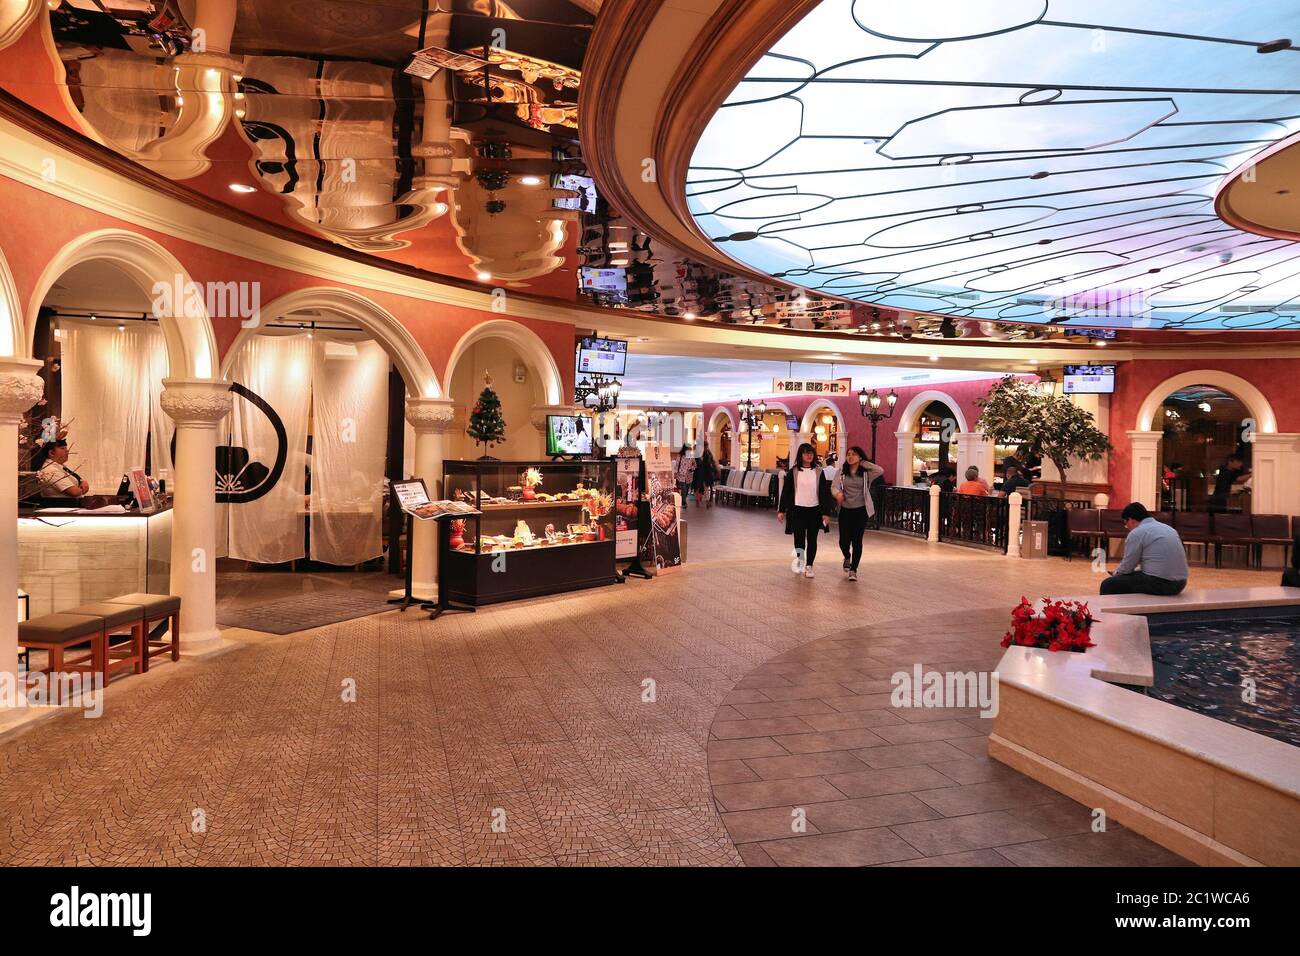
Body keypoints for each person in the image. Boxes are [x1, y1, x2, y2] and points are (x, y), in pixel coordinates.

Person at [1101, 502, 1189, 595]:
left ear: (1130, 520)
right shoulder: (1169, 529)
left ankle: (1114, 609)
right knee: (1131, 579)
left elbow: (1127, 567)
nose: (1127, 528)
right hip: (1181, 583)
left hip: (1163, 584)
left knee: (1108, 584)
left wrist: (1116, 574)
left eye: (1126, 524)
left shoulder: (1137, 533)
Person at [777, 442, 834, 578]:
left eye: (811, 453)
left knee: (812, 539)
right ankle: (801, 561)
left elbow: (824, 493)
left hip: (814, 510)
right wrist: (781, 510)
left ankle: (809, 566)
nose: (809, 455)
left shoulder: (819, 471)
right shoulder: (794, 471)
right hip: (797, 510)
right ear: (800, 455)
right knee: (799, 539)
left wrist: (826, 513)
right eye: (805, 453)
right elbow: (786, 492)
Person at [831, 445, 883, 582]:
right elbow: (834, 486)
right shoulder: (842, 472)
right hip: (845, 510)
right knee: (843, 541)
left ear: (859, 457)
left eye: (853, 454)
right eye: (848, 454)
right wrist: (837, 494)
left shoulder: (866, 473)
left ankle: (854, 569)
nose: (850, 456)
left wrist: (862, 461)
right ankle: (847, 556)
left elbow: (880, 470)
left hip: (861, 510)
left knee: (857, 540)